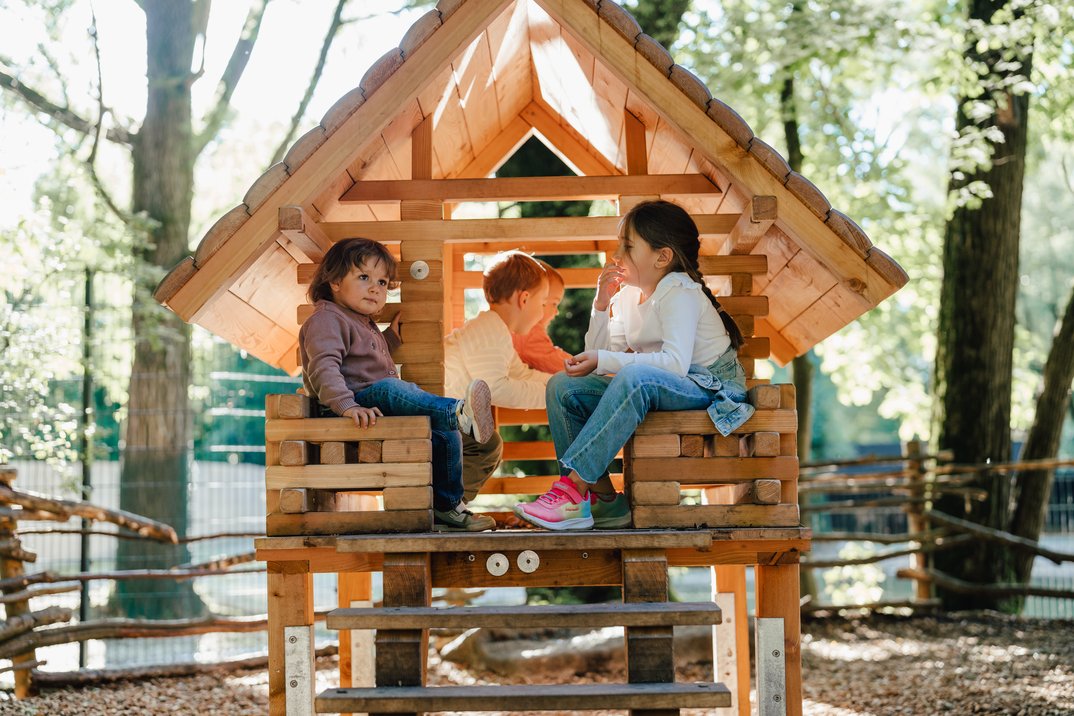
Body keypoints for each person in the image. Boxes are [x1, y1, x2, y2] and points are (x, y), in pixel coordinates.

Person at [515, 200, 755, 531]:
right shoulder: (628, 296)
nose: (617, 255)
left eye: (628, 247)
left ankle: (572, 490)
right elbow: (598, 359)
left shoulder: (680, 291)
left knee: (636, 374)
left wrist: (606, 360)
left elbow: (673, 364)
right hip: (662, 383)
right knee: (563, 386)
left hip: (709, 386)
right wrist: (601, 305)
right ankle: (603, 503)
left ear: (662, 257)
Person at [300, 238, 496, 532]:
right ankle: (458, 413)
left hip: (369, 403)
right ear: (335, 281)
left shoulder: (361, 322)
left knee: (445, 434)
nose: (376, 288)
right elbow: (323, 366)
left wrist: (388, 340)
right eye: (364, 277)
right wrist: (345, 404)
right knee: (394, 388)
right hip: (345, 407)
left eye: (382, 281)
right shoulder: (327, 319)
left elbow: (363, 358)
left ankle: (448, 505)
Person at [444, 251, 551, 501]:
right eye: (544, 303)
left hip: (449, 414)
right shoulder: (489, 329)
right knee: (486, 448)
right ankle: (448, 506)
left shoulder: (495, 330)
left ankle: (447, 504)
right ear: (524, 299)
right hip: (442, 413)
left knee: (484, 446)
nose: (544, 312)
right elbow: (497, 389)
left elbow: (520, 374)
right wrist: (551, 394)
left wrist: (560, 383)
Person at [512, 259, 573, 374]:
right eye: (554, 303)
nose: (557, 312)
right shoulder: (529, 331)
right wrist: (584, 365)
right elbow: (553, 361)